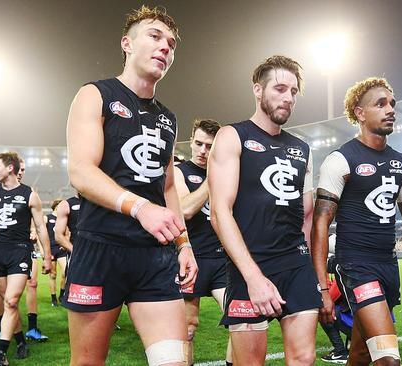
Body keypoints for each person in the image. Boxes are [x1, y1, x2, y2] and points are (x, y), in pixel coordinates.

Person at [64, 5, 197, 365]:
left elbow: (168, 186)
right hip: (100, 247)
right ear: (127, 43)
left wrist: (183, 243)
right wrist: (139, 207)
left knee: (174, 360)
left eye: (171, 43)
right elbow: (80, 171)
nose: (165, 47)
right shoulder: (96, 94)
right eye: (154, 37)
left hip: (154, 254)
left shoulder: (167, 117)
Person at [311, 77, 402, 366]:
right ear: (359, 113)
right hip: (356, 266)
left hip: (388, 266)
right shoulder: (340, 160)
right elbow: (320, 224)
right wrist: (323, 287)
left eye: (392, 104)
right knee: (388, 358)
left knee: (361, 353)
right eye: (380, 104)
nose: (390, 109)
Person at [208, 55, 320, 366]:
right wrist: (253, 277)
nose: (288, 98)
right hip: (249, 264)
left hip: (295, 264)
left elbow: (306, 215)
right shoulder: (233, 135)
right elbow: (220, 212)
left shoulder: (303, 148)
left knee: (304, 359)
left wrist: (311, 272)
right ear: (258, 91)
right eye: (280, 88)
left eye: (294, 92)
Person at [0, 152, 52, 366]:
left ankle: (1, 353)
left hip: (20, 251)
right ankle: (20, 341)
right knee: (9, 303)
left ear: (10, 168)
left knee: (11, 300)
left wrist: (47, 256)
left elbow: (41, 227)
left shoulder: (29, 194)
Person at [173, 118, 232, 365]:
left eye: (209, 146)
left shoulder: (230, 173)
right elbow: (185, 209)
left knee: (241, 319)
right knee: (187, 327)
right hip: (191, 259)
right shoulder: (179, 171)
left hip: (222, 260)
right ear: (191, 142)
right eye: (199, 144)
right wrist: (212, 179)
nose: (203, 151)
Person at [17, 159, 48, 342]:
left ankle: (32, 328)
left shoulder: (30, 193)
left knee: (33, 283)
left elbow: (38, 224)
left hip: (28, 247)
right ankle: (1, 324)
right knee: (4, 291)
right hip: (5, 248)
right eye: (19, 169)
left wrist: (45, 252)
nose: (21, 172)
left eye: (23, 170)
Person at [46, 199, 67, 307]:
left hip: (61, 249)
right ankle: (53, 298)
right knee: (53, 275)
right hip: (51, 249)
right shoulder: (47, 218)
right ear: (56, 207)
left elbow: (67, 232)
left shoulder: (63, 219)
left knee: (66, 272)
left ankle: (62, 295)